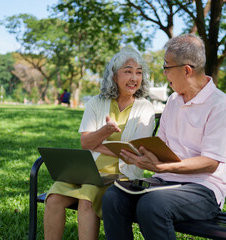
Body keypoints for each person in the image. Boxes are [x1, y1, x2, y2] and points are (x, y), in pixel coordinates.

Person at [102, 34, 226, 240]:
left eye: (167, 67)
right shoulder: (173, 101)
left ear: (186, 70)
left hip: (203, 189)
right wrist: (142, 155)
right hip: (163, 182)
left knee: (152, 204)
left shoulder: (220, 105)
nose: (164, 73)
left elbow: (210, 162)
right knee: (113, 196)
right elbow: (161, 145)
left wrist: (164, 167)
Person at [43, 47, 155, 240]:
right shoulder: (96, 103)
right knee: (53, 199)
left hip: (123, 175)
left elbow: (136, 153)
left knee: (86, 200)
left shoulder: (145, 108)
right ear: (113, 75)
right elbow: (85, 142)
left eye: (138, 72)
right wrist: (106, 131)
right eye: (128, 71)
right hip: (89, 171)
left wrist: (98, 143)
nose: (134, 78)